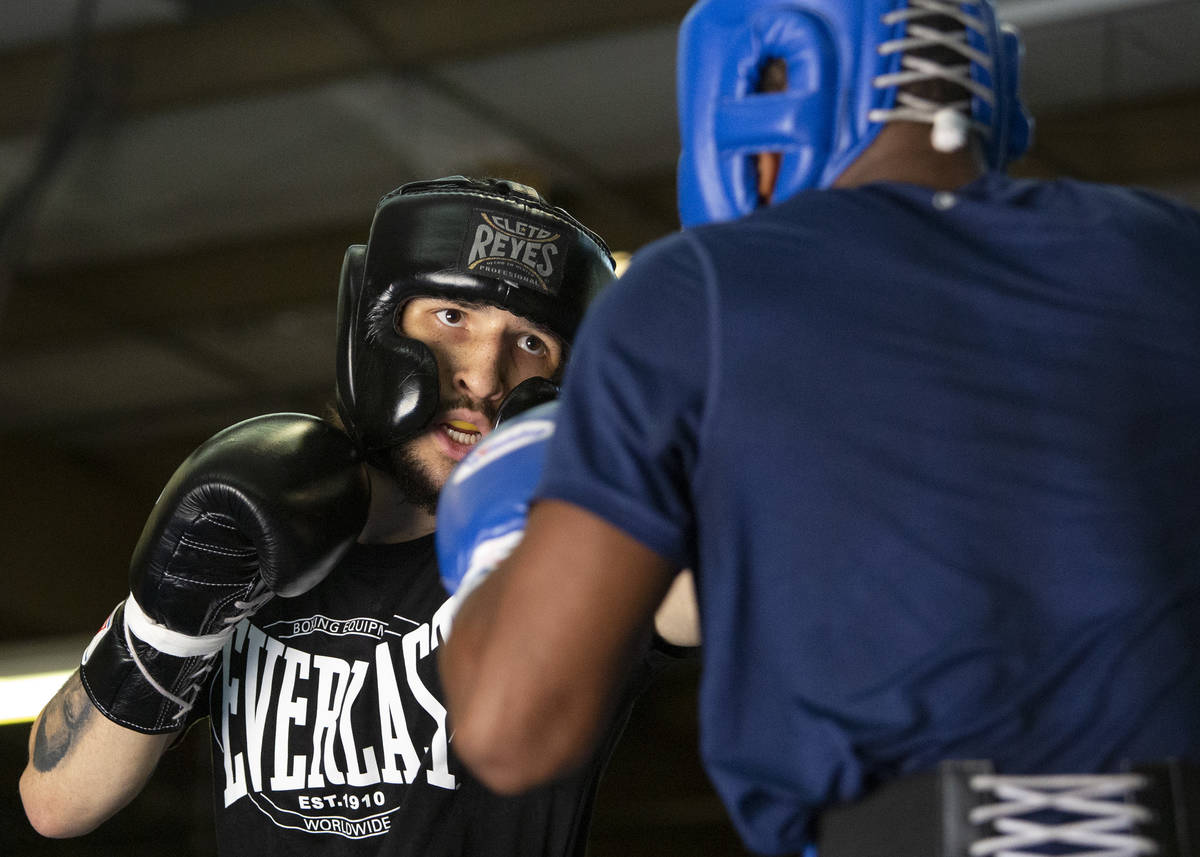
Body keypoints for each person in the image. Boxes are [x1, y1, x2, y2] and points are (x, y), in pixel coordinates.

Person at [437, 2, 1200, 856]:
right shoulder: (1172, 255)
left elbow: (514, 728)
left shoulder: (701, 294)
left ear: (765, 79)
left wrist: (505, 530)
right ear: (992, 84)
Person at [19, 175, 698, 855]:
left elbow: (708, 587)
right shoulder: (253, 526)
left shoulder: (568, 550)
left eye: (529, 343)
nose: (485, 377)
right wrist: (168, 620)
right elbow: (55, 801)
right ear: (375, 324)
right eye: (453, 317)